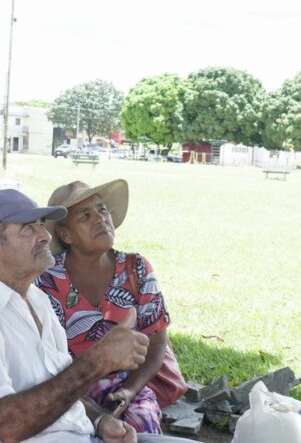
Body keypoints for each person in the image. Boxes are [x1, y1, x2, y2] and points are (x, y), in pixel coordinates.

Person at [0, 188, 197, 442]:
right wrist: (97, 361)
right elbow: (6, 426)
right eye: (28, 228)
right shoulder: (43, 289)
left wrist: (101, 420)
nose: (45, 236)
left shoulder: (38, 301)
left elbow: (62, 389)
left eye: (41, 225)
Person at [35, 179, 178, 435]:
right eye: (85, 215)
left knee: (138, 426)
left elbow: (157, 344)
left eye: (102, 210)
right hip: (66, 387)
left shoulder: (136, 269)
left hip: (127, 385)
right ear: (65, 234)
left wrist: (129, 391)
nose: (100, 219)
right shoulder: (45, 280)